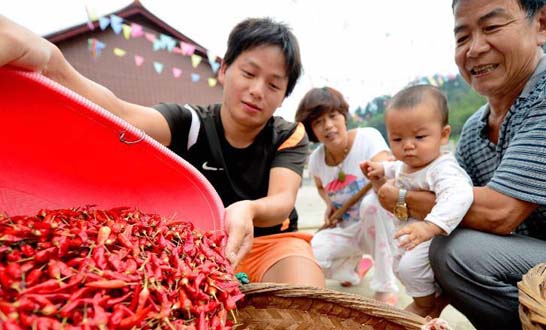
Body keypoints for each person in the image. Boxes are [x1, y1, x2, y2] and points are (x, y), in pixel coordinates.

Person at [0, 16, 325, 287]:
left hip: (270, 244)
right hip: (201, 245)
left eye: (273, 85)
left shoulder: (288, 133)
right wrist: (52, 62)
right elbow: (122, 114)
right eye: (249, 73)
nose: (257, 90)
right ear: (224, 70)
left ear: (284, 96)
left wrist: (248, 210)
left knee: (306, 292)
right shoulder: (191, 122)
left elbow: (282, 201)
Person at [375, 1, 546, 329]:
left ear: (541, 23)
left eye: (492, 27)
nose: (475, 48)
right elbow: (465, 216)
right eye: (462, 37)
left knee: (456, 250)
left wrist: (400, 199)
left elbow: (498, 213)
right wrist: (422, 312)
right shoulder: (473, 131)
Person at [361, 85, 473, 318]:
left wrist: (429, 226)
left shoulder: (442, 169)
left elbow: (460, 195)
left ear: (443, 135)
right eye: (398, 138)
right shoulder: (407, 163)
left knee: (410, 267)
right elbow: (396, 168)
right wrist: (380, 168)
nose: (408, 145)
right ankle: (429, 298)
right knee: (400, 266)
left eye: (419, 137)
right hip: (409, 232)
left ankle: (425, 305)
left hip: (434, 235)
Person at [295, 87, 399, 305]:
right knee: (308, 257)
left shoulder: (367, 138)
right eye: (318, 121)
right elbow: (321, 186)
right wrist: (329, 205)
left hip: (383, 228)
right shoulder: (316, 160)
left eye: (333, 116)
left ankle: (385, 285)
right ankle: (352, 270)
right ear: (312, 129)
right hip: (348, 229)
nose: (328, 126)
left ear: (344, 116)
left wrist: (379, 170)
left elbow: (388, 177)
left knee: (372, 204)